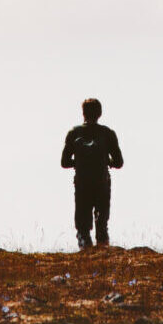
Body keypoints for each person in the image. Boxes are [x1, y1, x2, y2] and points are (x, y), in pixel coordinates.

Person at [60, 97, 124, 249]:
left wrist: (79, 163)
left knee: (83, 224)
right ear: (100, 113)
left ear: (83, 113)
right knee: (101, 222)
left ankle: (85, 251)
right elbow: (119, 162)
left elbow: (64, 162)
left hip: (82, 184)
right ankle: (102, 251)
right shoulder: (108, 133)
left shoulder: (74, 133)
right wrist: (107, 161)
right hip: (101, 183)